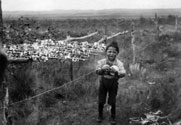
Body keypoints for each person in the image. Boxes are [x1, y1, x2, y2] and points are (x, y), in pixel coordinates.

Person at [96, 41, 126, 124]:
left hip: (113, 84)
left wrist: (117, 72)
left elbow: (123, 73)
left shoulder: (119, 63)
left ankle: (113, 117)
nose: (111, 54)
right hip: (103, 83)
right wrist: (102, 69)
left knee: (112, 101)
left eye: (114, 52)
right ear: (106, 52)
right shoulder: (101, 62)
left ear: (117, 53)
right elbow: (97, 71)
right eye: (109, 51)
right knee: (101, 100)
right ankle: (100, 115)